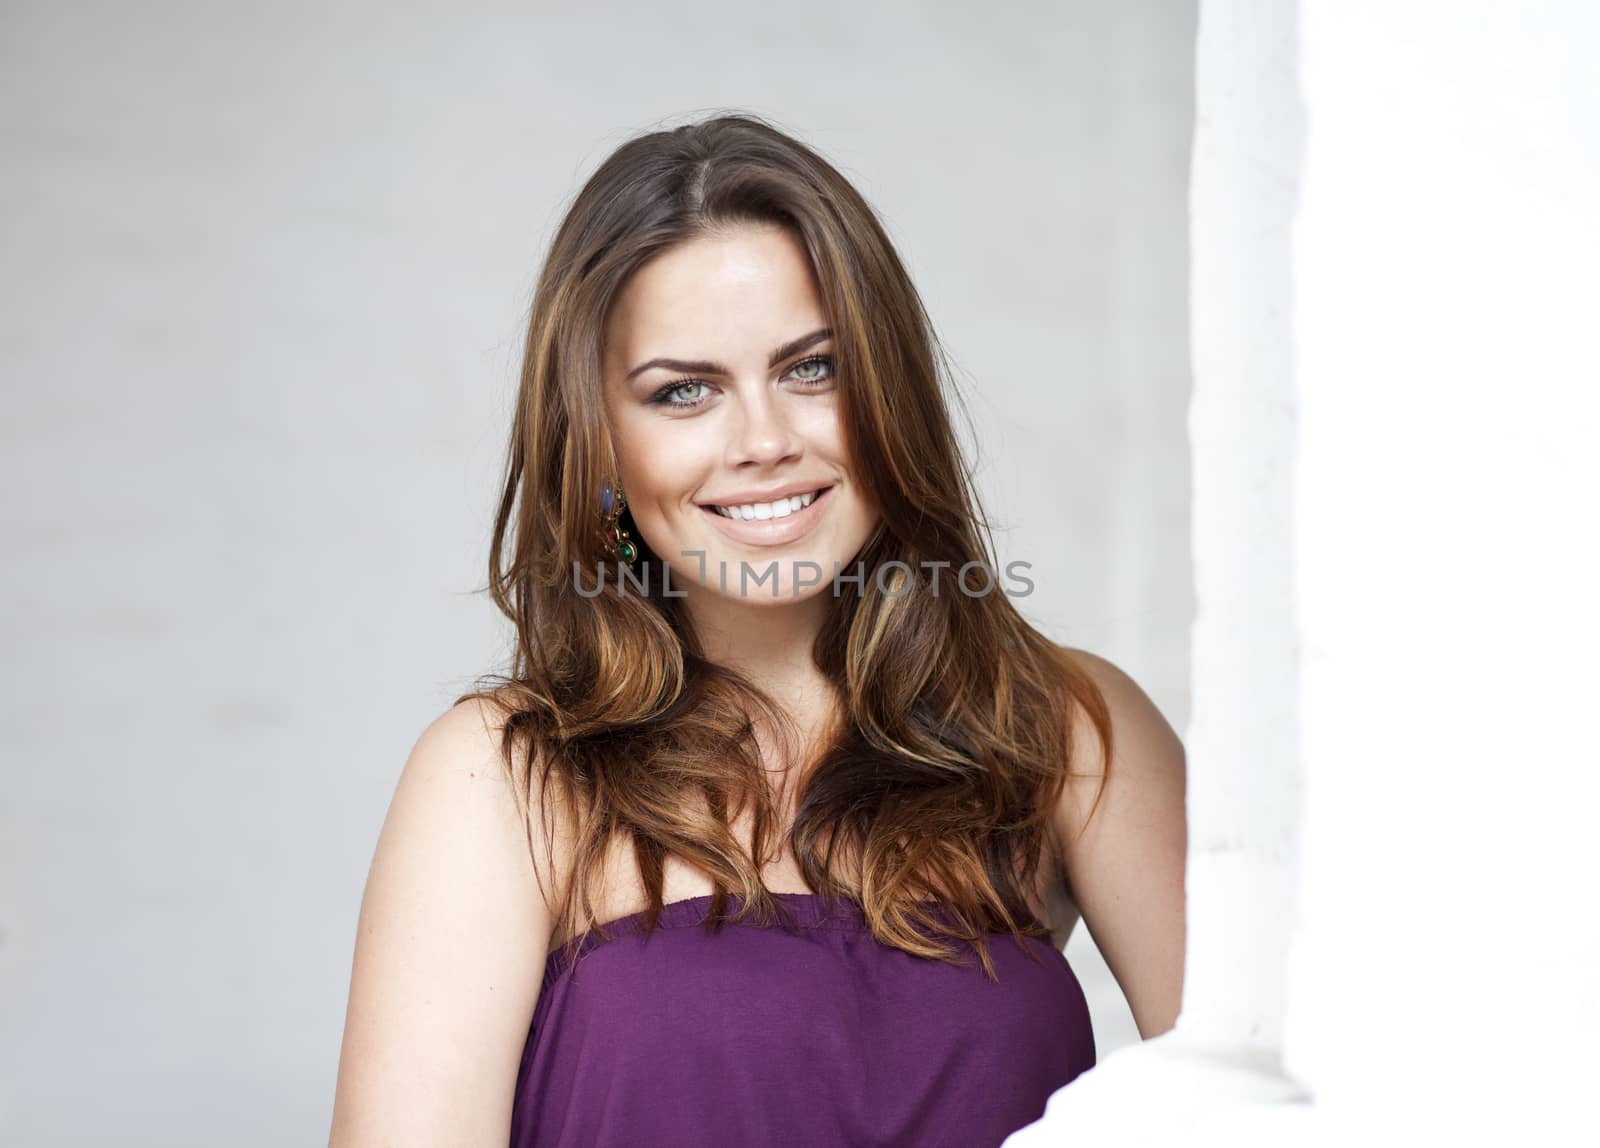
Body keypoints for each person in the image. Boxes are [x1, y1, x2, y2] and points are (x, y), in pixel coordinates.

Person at [328, 111, 1187, 1148]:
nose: (765, 441)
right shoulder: (504, 774)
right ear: (599, 446)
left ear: (888, 388)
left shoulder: (1064, 727)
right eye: (683, 391)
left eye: (812, 368)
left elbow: (1282, 1091)